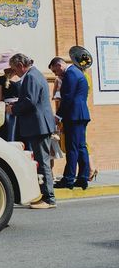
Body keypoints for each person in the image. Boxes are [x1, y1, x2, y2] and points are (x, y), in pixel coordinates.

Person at [7, 53, 56, 209]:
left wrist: (13, 109)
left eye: (15, 69)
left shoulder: (31, 77)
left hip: (39, 126)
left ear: (21, 65)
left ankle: (49, 198)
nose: (15, 73)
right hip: (38, 125)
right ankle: (45, 195)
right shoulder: (34, 74)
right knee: (42, 162)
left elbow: (30, 101)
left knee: (43, 163)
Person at [49, 57, 91, 190]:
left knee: (72, 148)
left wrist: (58, 116)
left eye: (55, 71)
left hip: (74, 116)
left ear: (59, 65)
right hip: (81, 115)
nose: (56, 74)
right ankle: (83, 178)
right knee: (81, 147)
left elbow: (67, 97)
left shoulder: (70, 74)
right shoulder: (77, 72)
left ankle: (68, 179)